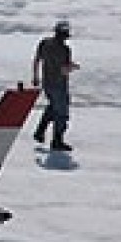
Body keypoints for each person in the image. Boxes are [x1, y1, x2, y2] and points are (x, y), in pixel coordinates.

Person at [32, 20, 79, 150]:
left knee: (53, 107)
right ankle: (57, 140)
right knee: (61, 113)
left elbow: (37, 60)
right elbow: (64, 70)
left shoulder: (45, 43)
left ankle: (40, 132)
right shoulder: (65, 50)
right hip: (59, 84)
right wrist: (73, 67)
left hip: (47, 83)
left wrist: (35, 77)